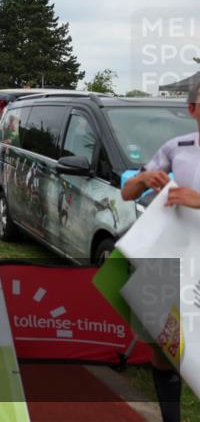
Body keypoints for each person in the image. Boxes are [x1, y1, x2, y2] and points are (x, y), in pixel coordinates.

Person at [120, 80, 199, 422]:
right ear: (193, 110)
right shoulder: (176, 147)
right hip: (169, 255)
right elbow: (127, 192)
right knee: (162, 341)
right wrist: (144, 180)